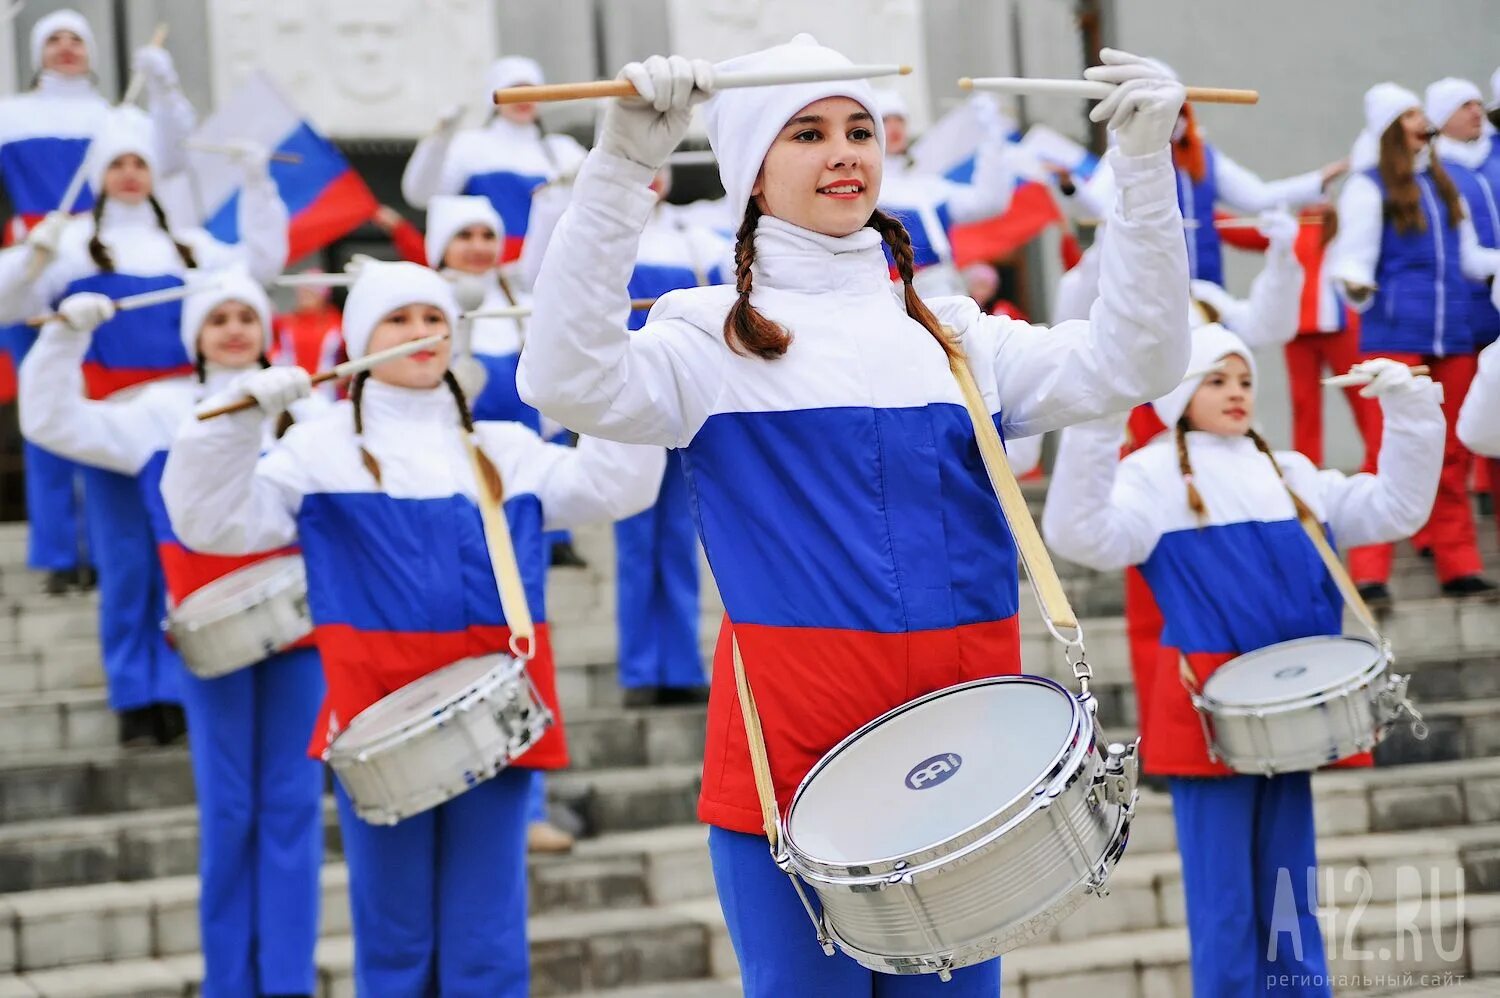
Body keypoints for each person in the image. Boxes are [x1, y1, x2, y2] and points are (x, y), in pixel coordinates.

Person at [518, 39, 1191, 994]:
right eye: (808, 133)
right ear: (753, 172)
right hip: (789, 761)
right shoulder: (705, 335)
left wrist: (1142, 171)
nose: (844, 153)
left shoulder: (956, 334)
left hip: (966, 766)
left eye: (859, 130)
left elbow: (1142, 362)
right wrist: (623, 166)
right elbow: (563, 379)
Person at [161, 261, 664, 994]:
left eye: (432, 319)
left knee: (488, 941)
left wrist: (617, 354)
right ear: (363, 337)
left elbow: (621, 484)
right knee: (394, 945)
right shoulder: (320, 449)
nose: (420, 334)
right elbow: (212, 524)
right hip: (376, 721)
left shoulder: (504, 448)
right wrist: (234, 427)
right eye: (397, 320)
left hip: (491, 722)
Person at [1041, 325, 1444, 997]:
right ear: (1179, 396)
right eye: (1217, 380)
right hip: (1204, 709)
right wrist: (1098, 422)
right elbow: (1079, 533)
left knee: (1290, 903)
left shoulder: (1289, 472)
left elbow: (1396, 510)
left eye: (1246, 381)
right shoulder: (1151, 475)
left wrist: (1408, 416)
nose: (1236, 393)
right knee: (1225, 906)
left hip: (1292, 708)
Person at [20, 271, 324, 998]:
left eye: (244, 315)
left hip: (302, 636)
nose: (232, 328)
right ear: (193, 335)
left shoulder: (307, 407)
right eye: (216, 317)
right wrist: (65, 339)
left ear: (264, 325)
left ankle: (286, 983)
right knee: (229, 811)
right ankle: (229, 984)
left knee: (293, 810)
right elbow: (51, 420)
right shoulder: (159, 409)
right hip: (211, 637)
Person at [0, 110, 286, 745]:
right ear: (99, 175)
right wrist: (32, 259)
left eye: (140, 164)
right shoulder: (70, 242)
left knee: (179, 562)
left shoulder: (190, 246)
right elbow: (9, 304)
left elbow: (259, 266)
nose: (130, 175)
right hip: (115, 424)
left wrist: (258, 184)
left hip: (181, 422)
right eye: (118, 164)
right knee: (126, 563)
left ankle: (180, 690)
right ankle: (133, 692)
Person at [1330, 83, 1500, 604]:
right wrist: (1355, 283)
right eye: (1409, 116)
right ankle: (1369, 570)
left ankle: (1459, 564)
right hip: (1395, 336)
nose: (1421, 123)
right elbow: (1353, 257)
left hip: (1451, 337)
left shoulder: (1442, 184)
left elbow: (1471, 257)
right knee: (1385, 447)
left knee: (1449, 452)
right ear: (1389, 128)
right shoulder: (1368, 186)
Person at [1068, 58, 1344, 285]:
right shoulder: (1125, 156)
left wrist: (1317, 180)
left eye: (1176, 111)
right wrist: (1071, 187)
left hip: (1206, 288)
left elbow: (1257, 196)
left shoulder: (1204, 156)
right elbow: (1095, 206)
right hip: (1150, 287)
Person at [401, 56, 587, 263]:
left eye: (531, 91)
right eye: (514, 91)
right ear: (495, 96)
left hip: (549, 265)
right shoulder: (469, 145)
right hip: (487, 264)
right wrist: (438, 141)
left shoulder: (563, 150)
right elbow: (421, 196)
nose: (524, 99)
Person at [871, 88, 1018, 296]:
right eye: (886, 120)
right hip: (891, 292)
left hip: (941, 286)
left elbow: (990, 201)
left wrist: (992, 138)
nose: (894, 127)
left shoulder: (928, 186)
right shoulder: (867, 190)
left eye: (900, 120)